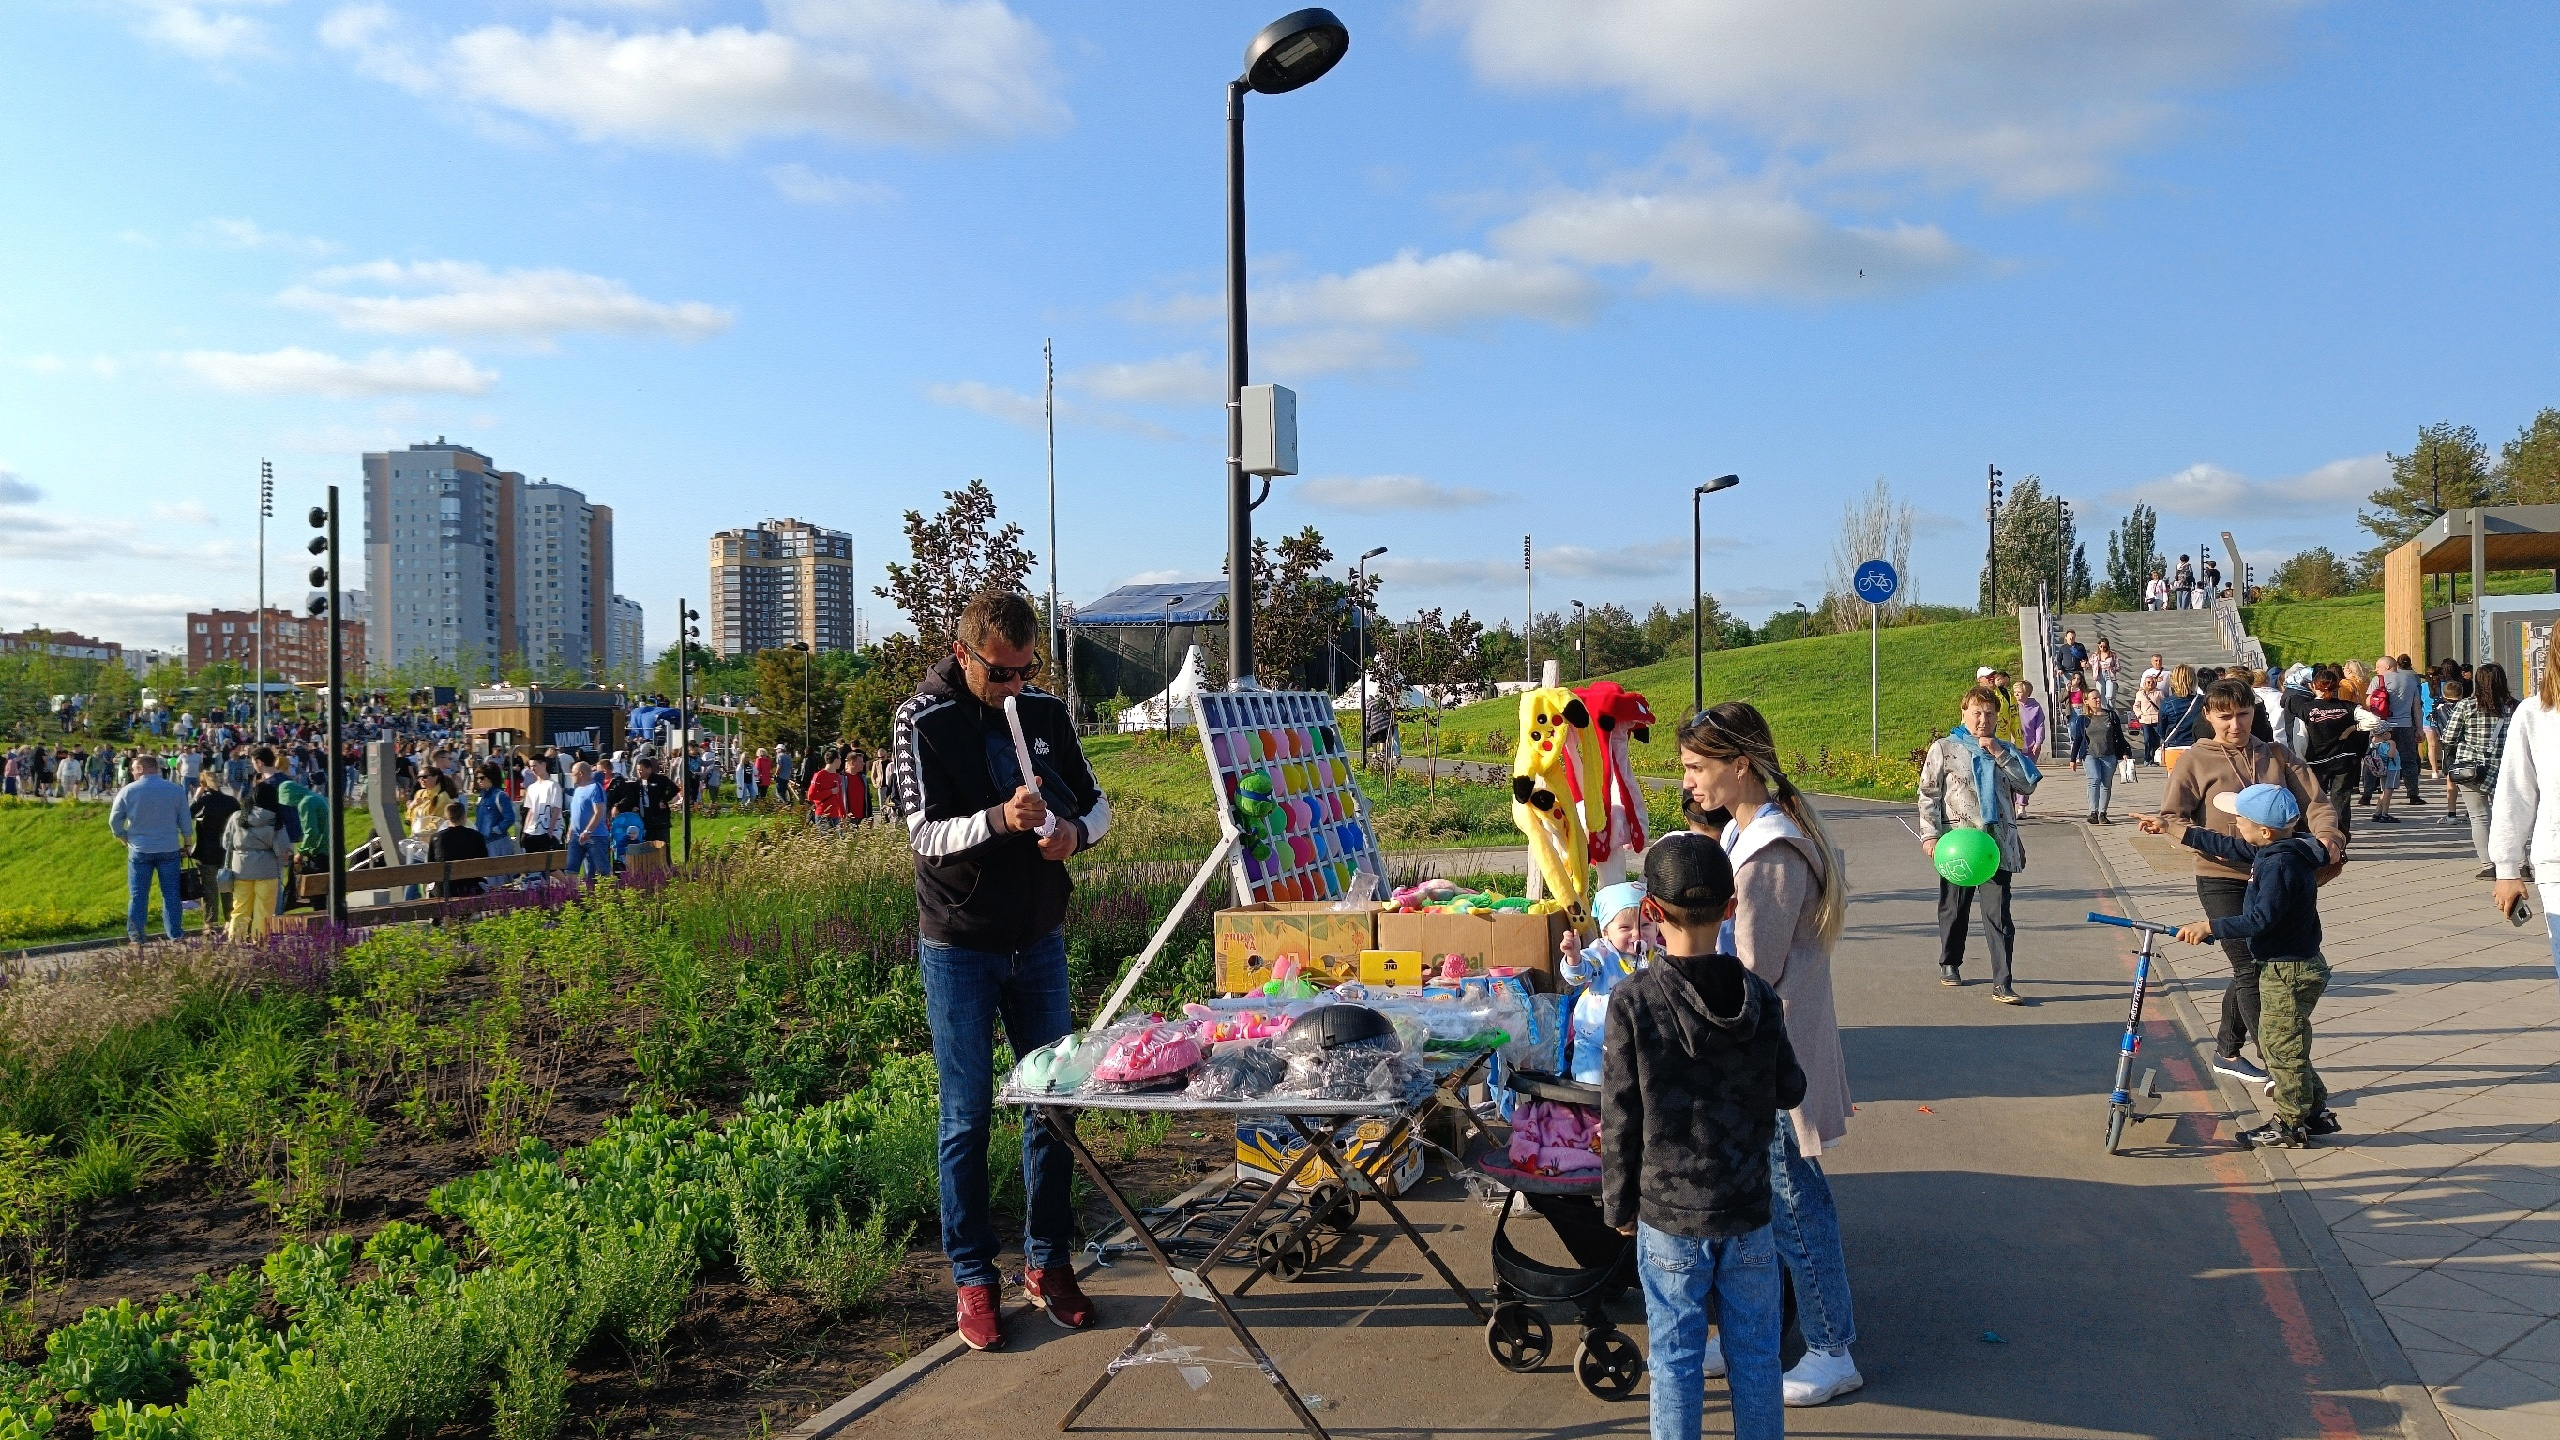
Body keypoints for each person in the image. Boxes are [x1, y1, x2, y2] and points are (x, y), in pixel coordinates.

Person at [893, 590, 1112, 1351]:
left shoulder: (1046, 713)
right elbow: (922, 832)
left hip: (1039, 938)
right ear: (965, 654)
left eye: (1026, 671)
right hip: (960, 943)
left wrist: (1075, 835)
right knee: (967, 1115)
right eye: (1001, 673)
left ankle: (1048, 1262)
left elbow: (1100, 804)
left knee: (1053, 1105)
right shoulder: (922, 718)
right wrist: (998, 820)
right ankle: (973, 1277)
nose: (1015, 687)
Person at [1675, 702, 1863, 1406]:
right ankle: (1754, 1335)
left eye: (1698, 767)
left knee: (1792, 1204)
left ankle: (1830, 1347)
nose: (1689, 781)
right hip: (1761, 1060)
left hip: (1768, 1065)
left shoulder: (1768, 854)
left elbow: (1749, 977)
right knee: (1759, 1208)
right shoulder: (1747, 837)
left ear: (1740, 765)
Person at [1599, 834, 1805, 1440]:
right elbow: (1790, 1088)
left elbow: (1620, 1114)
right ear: (1731, 905)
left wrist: (1619, 1203)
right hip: (1747, 1211)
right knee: (1756, 1361)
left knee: (1675, 1363)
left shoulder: (1632, 1001)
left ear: (1652, 913)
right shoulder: (1760, 998)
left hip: (1668, 1215)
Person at [2149, 678, 2346, 1087]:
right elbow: (2174, 818)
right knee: (2249, 967)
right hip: (2221, 876)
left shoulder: (2276, 753)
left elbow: (2317, 803)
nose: (2235, 725)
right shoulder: (2193, 760)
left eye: (2242, 714)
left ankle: (2226, 1050)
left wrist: (2329, 837)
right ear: (2208, 716)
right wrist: (2218, 846)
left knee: (2255, 964)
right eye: (2225, 717)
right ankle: (2279, 1070)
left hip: (2274, 875)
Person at [2159, 786, 2340, 1147]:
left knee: (2280, 1046)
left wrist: (2211, 927)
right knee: (2286, 1043)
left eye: (2240, 818)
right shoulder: (2282, 849)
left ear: (2265, 831)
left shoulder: (2279, 864)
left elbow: (2260, 919)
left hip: (2288, 970)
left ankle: (2290, 1123)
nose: (2235, 823)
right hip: (2289, 964)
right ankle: (2314, 1111)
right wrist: (2171, 828)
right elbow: (2231, 848)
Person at [1919, 686, 2040, 1001]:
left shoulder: (2005, 750)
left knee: (1999, 915)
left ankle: (2003, 982)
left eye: (1989, 713)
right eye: (1977, 713)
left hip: (1995, 846)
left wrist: (1999, 754)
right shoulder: (1944, 748)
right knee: (1955, 907)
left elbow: (2026, 785)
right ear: (1964, 714)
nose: (1982, 719)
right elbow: (1928, 794)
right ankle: (1950, 961)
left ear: (1997, 717)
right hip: (1959, 843)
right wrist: (1930, 835)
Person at [109, 754, 194, 944]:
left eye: (133, 768)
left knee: (138, 895)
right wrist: (187, 843)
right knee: (171, 893)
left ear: (141, 769)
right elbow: (185, 820)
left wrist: (124, 838)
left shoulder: (128, 791)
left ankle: (136, 936)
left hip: (140, 848)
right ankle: (175, 934)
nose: (131, 771)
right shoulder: (175, 789)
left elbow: (114, 821)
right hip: (169, 847)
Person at [2442, 665, 2516, 881]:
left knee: (2479, 817)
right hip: (2506, 768)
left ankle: (2489, 866)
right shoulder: (2514, 707)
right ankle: (2520, 865)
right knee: (2510, 817)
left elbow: (2448, 737)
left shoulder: (2466, 705)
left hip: (2471, 769)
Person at [2299, 669, 2369, 845]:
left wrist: (2301, 761)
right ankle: (2340, 840)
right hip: (2344, 758)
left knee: (2315, 801)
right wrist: (2353, 729)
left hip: (2317, 761)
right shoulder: (2347, 706)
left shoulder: (2306, 709)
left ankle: (2315, 838)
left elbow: (2300, 737)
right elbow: (2376, 721)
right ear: (2337, 686)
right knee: (2341, 801)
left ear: (2314, 686)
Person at [222, 782, 296, 941]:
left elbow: (225, 842)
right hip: (267, 870)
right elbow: (283, 850)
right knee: (264, 911)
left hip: (240, 869)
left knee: (240, 908)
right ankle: (260, 943)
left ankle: (235, 941)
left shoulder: (237, 817)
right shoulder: (275, 820)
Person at [189, 773, 239, 931]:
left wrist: (197, 798)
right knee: (228, 888)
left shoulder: (203, 802)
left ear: (202, 785)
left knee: (209, 889)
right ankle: (229, 920)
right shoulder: (231, 801)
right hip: (228, 850)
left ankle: (209, 923)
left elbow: (187, 816)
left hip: (206, 850)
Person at [2376, 655, 2423, 808]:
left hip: (2383, 725)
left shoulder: (2379, 680)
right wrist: (2419, 728)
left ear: (2388, 666)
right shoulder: (2411, 681)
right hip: (2405, 725)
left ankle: (2370, 792)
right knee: (2409, 759)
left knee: (2378, 758)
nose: (2376, 670)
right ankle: (2413, 792)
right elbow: (2416, 707)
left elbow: (2370, 703)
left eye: (2378, 667)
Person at [427, 799, 490, 896]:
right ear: (464, 816)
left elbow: (431, 865)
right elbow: (484, 863)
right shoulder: (476, 836)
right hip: (471, 887)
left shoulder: (436, 838)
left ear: (447, 817)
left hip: (444, 890)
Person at [2082, 693, 2128, 824]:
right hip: (2090, 754)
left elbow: (2119, 735)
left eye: (2098, 697)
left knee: (2106, 784)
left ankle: (2102, 813)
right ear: (2086, 701)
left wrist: (2124, 751)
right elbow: (2079, 739)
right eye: (2094, 698)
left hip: (2109, 754)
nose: (2097, 700)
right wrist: (2074, 758)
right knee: (2094, 780)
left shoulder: (2111, 716)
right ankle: (2093, 812)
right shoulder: (2084, 719)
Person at [567, 760, 613, 880]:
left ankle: (612, 894)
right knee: (571, 870)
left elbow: (599, 811)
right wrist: (571, 829)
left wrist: (588, 831)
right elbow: (576, 813)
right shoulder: (577, 790)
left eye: (573, 773)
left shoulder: (595, 788)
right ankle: (572, 896)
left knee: (602, 870)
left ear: (581, 773)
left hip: (595, 836)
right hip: (576, 837)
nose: (571, 776)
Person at [520, 761, 566, 854]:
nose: (533, 769)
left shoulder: (553, 785)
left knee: (551, 865)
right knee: (533, 863)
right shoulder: (532, 787)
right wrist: (525, 830)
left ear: (544, 765)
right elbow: (530, 810)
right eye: (531, 766)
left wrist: (550, 831)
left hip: (547, 831)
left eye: (535, 766)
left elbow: (556, 809)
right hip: (532, 831)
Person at [633, 755, 679, 846]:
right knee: (648, 846)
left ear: (649, 769)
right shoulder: (637, 783)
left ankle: (666, 860)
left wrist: (664, 800)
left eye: (641, 770)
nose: (639, 773)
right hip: (645, 819)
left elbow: (674, 788)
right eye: (638, 770)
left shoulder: (659, 779)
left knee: (663, 845)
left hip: (660, 819)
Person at [2157, 664, 2202, 752]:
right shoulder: (2203, 701)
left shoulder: (2167, 703)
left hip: (2174, 746)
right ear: (2193, 680)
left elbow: (2161, 730)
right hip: (2197, 747)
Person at [808, 746, 846, 830]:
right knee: (826, 841)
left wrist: (843, 815)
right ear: (836, 759)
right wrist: (830, 791)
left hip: (836, 816)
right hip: (823, 815)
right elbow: (811, 796)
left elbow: (839, 797)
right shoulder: (819, 775)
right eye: (840, 759)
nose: (841, 762)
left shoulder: (837, 776)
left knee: (836, 842)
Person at [2131, 674, 2164, 768]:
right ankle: (2147, 758)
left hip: (2156, 718)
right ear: (2144, 683)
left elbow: (2163, 704)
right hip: (2145, 719)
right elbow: (2136, 706)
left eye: (2152, 682)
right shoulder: (2140, 693)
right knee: (2147, 739)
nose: (2150, 684)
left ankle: (2154, 759)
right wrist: (2139, 714)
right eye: (2148, 682)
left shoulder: (2159, 692)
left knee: (2156, 740)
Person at [2093, 639, 2119, 706]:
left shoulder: (2112, 655)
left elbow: (2118, 666)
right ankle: (2103, 710)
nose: (2102, 648)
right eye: (2101, 646)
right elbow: (2090, 665)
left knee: (2110, 695)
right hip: (2099, 674)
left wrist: (2112, 668)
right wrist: (2085, 665)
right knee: (2100, 693)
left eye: (2104, 646)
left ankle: (2110, 710)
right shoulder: (2095, 655)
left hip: (2109, 674)